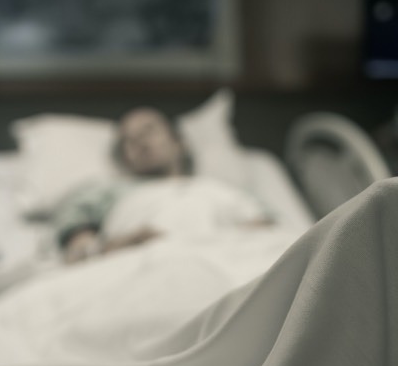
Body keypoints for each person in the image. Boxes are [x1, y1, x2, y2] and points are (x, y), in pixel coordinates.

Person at [54, 108, 270, 264]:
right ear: (124, 158)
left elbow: (269, 237)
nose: (140, 141)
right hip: (137, 267)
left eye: (149, 130)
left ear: (180, 143)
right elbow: (77, 256)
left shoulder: (222, 190)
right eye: (128, 140)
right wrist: (118, 247)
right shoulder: (102, 194)